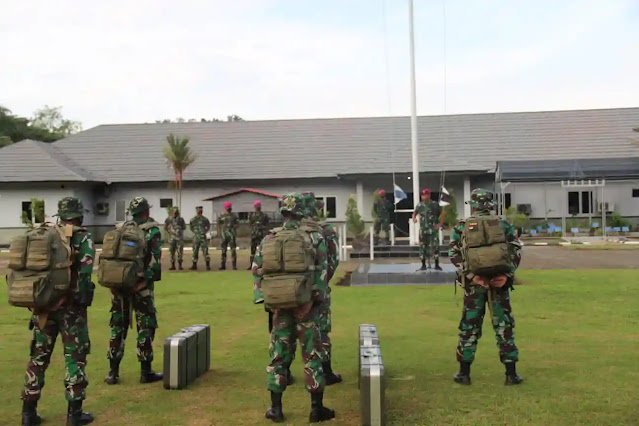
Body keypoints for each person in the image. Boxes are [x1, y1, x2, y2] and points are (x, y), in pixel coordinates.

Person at [253, 193, 335, 423]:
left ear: (284, 212)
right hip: (306, 307)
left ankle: (276, 409)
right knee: (312, 355)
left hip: (279, 307)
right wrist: (313, 300)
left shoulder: (269, 238)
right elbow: (323, 271)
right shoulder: (314, 236)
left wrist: (269, 301)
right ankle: (316, 409)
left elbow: (257, 271)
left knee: (278, 356)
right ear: (302, 211)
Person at [20, 197, 95, 426]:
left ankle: (28, 413)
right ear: (79, 215)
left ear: (60, 215)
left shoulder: (46, 235)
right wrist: (81, 299)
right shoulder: (83, 238)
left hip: (43, 308)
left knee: (38, 358)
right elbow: (84, 277)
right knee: (75, 358)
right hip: (71, 311)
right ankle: (74, 414)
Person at [449, 188, 524, 386]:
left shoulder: (462, 226)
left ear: (473, 205)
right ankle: (511, 374)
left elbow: (454, 254)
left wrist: (472, 276)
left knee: (469, 326)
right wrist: (505, 275)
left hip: (474, 286)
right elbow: (516, 250)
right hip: (499, 284)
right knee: (504, 326)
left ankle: (464, 373)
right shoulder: (502, 224)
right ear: (490, 204)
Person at [105, 197, 163, 385]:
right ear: (146, 211)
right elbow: (155, 265)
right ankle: (146, 372)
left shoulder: (121, 229)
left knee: (117, 328)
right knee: (145, 327)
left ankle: (112, 372)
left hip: (119, 287)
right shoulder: (152, 231)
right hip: (141, 289)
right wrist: (142, 282)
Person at [302, 192, 342, 385]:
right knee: (321, 330)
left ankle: (283, 374)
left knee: (288, 333)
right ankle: (326, 372)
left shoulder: (287, 232)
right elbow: (333, 261)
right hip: (318, 291)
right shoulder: (325, 230)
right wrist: (322, 282)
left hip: (291, 291)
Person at [412, 188, 444, 271]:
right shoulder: (419, 205)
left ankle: (437, 264)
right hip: (423, 230)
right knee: (422, 247)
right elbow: (414, 213)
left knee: (435, 246)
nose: (424, 196)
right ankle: (423, 265)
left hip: (433, 230)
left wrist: (440, 224)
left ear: (429, 195)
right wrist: (414, 218)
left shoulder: (435, 204)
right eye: (423, 195)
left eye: (426, 194)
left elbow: (442, 213)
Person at [248, 200, 270, 270]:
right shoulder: (251, 215)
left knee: (261, 250)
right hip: (254, 235)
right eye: (256, 206)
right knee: (253, 251)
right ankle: (252, 265)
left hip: (261, 235)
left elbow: (267, 224)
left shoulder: (264, 215)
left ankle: (261, 264)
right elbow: (250, 224)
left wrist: (262, 228)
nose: (257, 207)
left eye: (258, 206)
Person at [218, 201, 239, 270]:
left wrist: (232, 228)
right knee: (224, 250)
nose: (228, 209)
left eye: (229, 207)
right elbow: (219, 224)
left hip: (231, 235)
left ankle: (234, 266)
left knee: (233, 250)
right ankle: (223, 265)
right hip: (224, 235)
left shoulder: (234, 216)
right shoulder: (222, 216)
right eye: (227, 207)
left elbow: (237, 224)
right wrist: (221, 231)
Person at [189, 206, 211, 271]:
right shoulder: (193, 219)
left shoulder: (205, 219)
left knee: (205, 251)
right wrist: (196, 232)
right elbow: (191, 227)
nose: (199, 211)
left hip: (203, 237)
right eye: (198, 210)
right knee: (195, 251)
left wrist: (204, 232)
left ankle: (207, 266)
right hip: (196, 237)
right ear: (196, 211)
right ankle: (194, 265)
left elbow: (208, 226)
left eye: (200, 210)